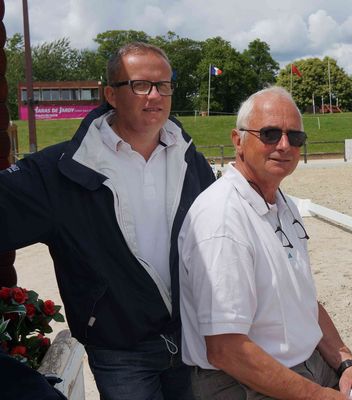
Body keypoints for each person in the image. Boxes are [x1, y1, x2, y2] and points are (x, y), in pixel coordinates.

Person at [0, 42, 216, 399]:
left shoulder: (191, 160)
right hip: (120, 349)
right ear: (110, 95)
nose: (155, 95)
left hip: (190, 339)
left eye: (164, 85)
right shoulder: (61, 171)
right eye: (140, 85)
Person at [178, 86, 352, 400]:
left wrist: (345, 360)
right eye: (270, 134)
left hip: (309, 364)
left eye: (296, 137)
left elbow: (302, 298)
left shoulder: (283, 203)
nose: (284, 145)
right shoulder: (222, 219)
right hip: (245, 382)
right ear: (238, 140)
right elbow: (225, 349)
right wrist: (317, 396)